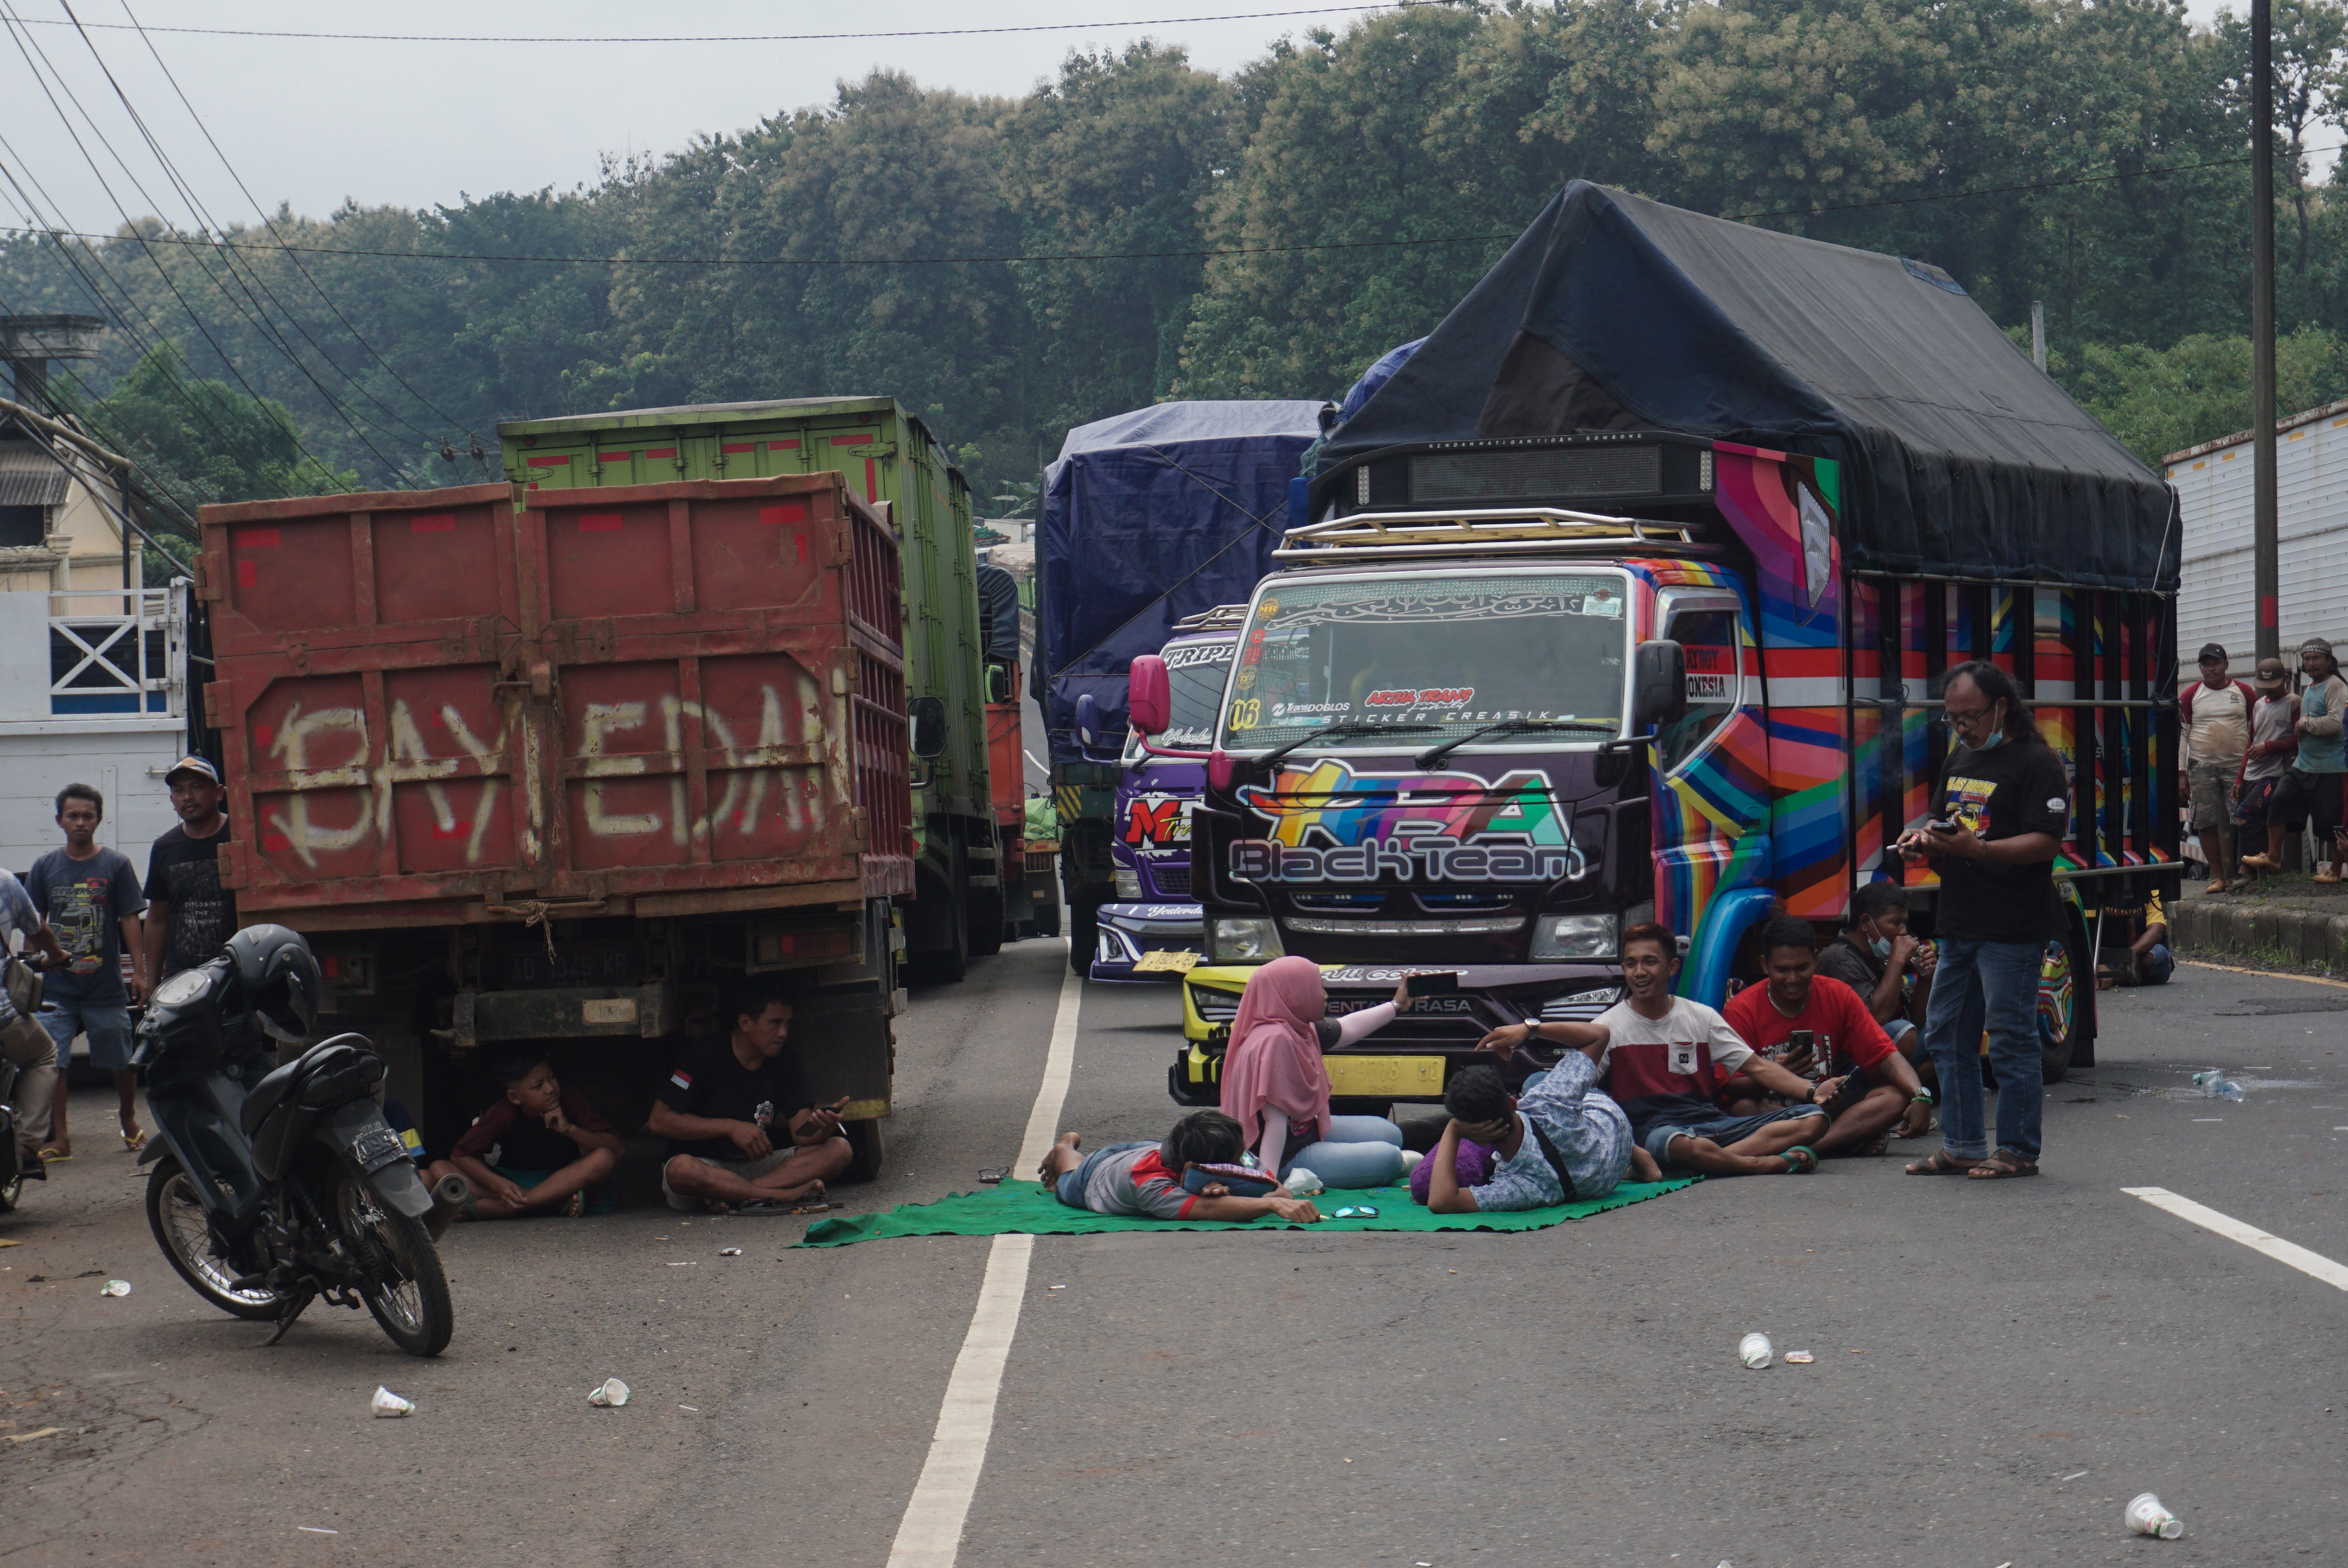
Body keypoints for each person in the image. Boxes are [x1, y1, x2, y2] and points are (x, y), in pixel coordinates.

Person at [1475, 922, 1831, 1176]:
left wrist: (1812, 1092)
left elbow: (1757, 1067)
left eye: (1650, 962)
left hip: (1714, 1124)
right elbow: (1571, 1085)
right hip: (1657, 1134)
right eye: (1631, 964)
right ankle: (1756, 1164)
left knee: (1815, 1119)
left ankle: (1711, 1161)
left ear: (1672, 967)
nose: (1639, 972)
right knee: (1674, 1143)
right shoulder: (1609, 1026)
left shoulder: (1701, 1016)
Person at [1898, 660, 2068, 1180]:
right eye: (1953, 718)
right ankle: (1964, 1144)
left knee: (2010, 1038)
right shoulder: (1960, 757)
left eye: (1970, 716)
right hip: (1960, 920)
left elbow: (2047, 841)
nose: (1962, 727)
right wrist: (1921, 838)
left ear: (2002, 707)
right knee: (1947, 1033)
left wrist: (1982, 850)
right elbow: (1941, 820)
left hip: (2013, 924)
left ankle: (2017, 1149)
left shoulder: (2038, 761)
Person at [1718, 917, 1929, 1157]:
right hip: (1773, 1112)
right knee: (1744, 1108)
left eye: (1801, 968)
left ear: (1816, 960)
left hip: (1827, 1105)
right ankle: (1840, 1143)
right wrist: (1774, 1075)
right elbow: (1730, 1089)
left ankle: (1812, 1148)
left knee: (1894, 1098)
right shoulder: (1741, 1009)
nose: (1792, 979)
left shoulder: (1837, 994)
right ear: (1765, 965)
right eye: (1782, 970)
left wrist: (1919, 1095)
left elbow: (1884, 1053)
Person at [649, 985, 852, 1212]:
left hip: (758, 1168)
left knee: (840, 1150)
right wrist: (730, 1128)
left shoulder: (787, 1060)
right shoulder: (701, 1055)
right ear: (745, 1023)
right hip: (707, 1167)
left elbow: (801, 1133)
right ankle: (781, 1196)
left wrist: (823, 1126)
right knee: (681, 1169)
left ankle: (738, 1195)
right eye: (775, 1023)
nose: (783, 1033)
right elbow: (659, 1121)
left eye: (787, 1024)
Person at [26, 783, 148, 1158]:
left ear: (98, 820)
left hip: (105, 987)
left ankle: (129, 1121)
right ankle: (60, 1139)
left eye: (87, 816)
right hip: (57, 990)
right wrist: (31, 969)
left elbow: (130, 919)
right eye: (73, 816)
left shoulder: (116, 865)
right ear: (59, 820)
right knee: (54, 1063)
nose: (80, 822)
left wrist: (139, 972)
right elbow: (33, 922)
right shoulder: (45, 867)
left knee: (120, 1060)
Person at [1217, 955, 1411, 1188]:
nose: (1325, 995)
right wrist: (1268, 1182)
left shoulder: (1295, 1027)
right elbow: (1274, 1123)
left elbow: (1345, 1028)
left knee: (1391, 1134)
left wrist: (1396, 1006)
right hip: (1284, 1156)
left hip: (1306, 1132)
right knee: (1389, 1158)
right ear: (1294, 993)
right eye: (1317, 987)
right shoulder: (1274, 1042)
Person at [1421, 1055, 1662, 1213]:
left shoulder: (1520, 1187)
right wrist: (1530, 1029)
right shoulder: (1546, 1104)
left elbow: (1441, 1201)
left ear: (1473, 1136)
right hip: (1606, 1117)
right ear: (1513, 1103)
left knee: (1539, 1086)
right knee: (1535, 1081)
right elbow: (1599, 1035)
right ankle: (1633, 1149)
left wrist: (1452, 1130)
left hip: (1606, 1172)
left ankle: (1632, 1152)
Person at [1038, 1109, 1325, 1223]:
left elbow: (1280, 1191)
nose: (1244, 1161)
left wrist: (1231, 1187)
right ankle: (1066, 1147)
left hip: (1150, 1147)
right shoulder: (1147, 1183)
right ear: (1210, 1165)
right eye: (1237, 1160)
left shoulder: (1217, 1149)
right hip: (1094, 1174)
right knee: (1065, 1178)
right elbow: (1208, 1209)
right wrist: (1270, 1204)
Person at [426, 1053, 623, 1218]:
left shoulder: (568, 1099)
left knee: (604, 1158)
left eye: (552, 1078)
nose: (550, 1089)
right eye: (538, 1086)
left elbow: (615, 1148)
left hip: (562, 1179)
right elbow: (460, 1154)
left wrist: (570, 1130)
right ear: (515, 1097)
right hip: (512, 1181)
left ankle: (506, 1208)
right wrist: (500, 1185)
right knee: (439, 1168)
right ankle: (551, 1203)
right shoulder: (504, 1111)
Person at [2246, 637, 2347, 883]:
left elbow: (2335, 723)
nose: (2311, 663)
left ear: (2329, 660)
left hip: (2330, 767)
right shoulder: (2310, 687)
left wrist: (2304, 723)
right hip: (2303, 764)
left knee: (2333, 822)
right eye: (2307, 659)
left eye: (2316, 658)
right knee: (2280, 799)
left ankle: (2335, 870)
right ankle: (2274, 856)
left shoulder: (2335, 686)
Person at [141, 755, 236, 991]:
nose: (188, 797)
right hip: (183, 981)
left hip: (238, 975)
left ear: (219, 793)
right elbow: (157, 920)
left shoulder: (239, 837)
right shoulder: (165, 847)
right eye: (179, 790)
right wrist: (152, 982)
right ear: (172, 800)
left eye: (197, 787)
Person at [0, 868, 69, 1174]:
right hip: (3, 1019)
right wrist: (55, 954)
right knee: (44, 1055)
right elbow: (37, 930)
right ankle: (26, 1147)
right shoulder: (4, 881)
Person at [2179, 643, 2255, 893]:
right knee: (2205, 822)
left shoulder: (2243, 692)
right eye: (2206, 665)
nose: (2211, 669)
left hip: (2238, 767)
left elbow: (2255, 728)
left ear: (2226, 665)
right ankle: (2218, 877)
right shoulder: (2191, 695)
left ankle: (2245, 871)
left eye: (2216, 664)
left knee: (2244, 817)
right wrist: (2181, 774)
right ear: (2200, 668)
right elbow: (2182, 736)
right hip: (2202, 766)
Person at [2232, 657, 2300, 886]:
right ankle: (2255, 870)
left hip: (2274, 772)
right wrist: (2240, 776)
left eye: (2273, 686)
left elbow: (2300, 739)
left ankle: (2246, 869)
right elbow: (2252, 740)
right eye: (2264, 686)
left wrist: (2270, 747)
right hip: (2253, 771)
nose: (2268, 690)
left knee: (2245, 814)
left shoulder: (2294, 703)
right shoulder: (2259, 704)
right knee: (2252, 820)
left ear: (2285, 680)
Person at [2095, 887, 2172, 988]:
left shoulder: (2152, 890)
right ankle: (2120, 976)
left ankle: (2112, 977)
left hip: (2140, 956)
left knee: (2160, 952)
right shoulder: (2095, 890)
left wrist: (2130, 956)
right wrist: (2098, 965)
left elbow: (2156, 932)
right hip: (2106, 957)